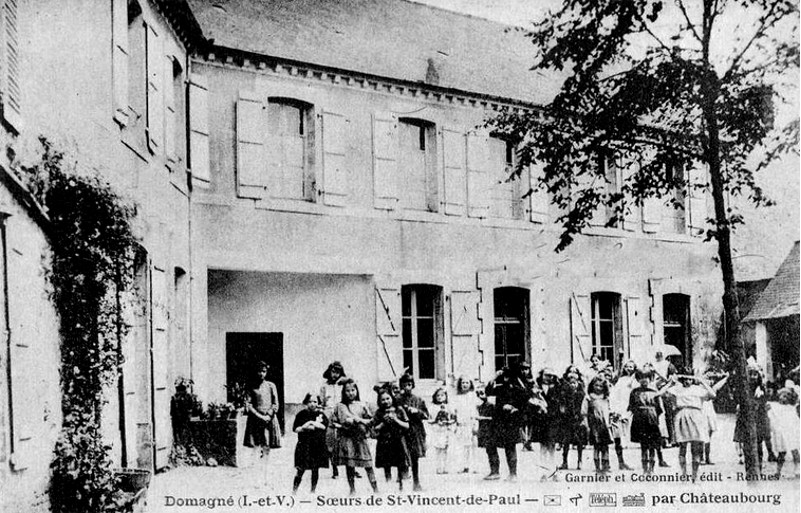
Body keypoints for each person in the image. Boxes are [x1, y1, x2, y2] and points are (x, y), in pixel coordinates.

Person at [659, 368, 718, 482]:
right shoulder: (676, 389)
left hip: (696, 416)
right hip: (682, 416)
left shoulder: (698, 389)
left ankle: (694, 476)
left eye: (690, 379)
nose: (687, 382)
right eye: (685, 379)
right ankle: (684, 475)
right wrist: (670, 382)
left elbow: (713, 395)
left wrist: (702, 382)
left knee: (696, 448)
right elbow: (661, 393)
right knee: (683, 447)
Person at [484, 362, 529, 481]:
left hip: (511, 420)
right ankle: (494, 471)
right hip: (497, 418)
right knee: (490, 444)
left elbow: (525, 399)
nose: (506, 376)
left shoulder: (518, 383)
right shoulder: (499, 382)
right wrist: (494, 376)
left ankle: (513, 474)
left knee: (510, 446)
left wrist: (514, 407)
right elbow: (488, 392)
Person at [332, 379, 378, 495]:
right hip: (347, 439)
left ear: (357, 391)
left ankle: (375, 489)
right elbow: (334, 422)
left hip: (360, 438)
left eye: (353, 390)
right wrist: (342, 424)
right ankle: (352, 490)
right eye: (347, 391)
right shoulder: (340, 406)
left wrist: (360, 421)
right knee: (350, 465)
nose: (351, 393)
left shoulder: (362, 405)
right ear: (343, 392)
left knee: (368, 464)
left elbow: (371, 420)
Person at [733, 363, 776, 469]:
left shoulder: (761, 389)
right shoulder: (743, 387)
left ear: (758, 376)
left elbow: (765, 401)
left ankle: (759, 467)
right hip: (746, 417)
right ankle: (750, 467)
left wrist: (762, 395)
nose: (752, 377)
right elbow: (737, 399)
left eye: (755, 374)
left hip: (759, 418)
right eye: (750, 374)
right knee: (747, 445)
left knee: (758, 444)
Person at [243, 361, 282, 465]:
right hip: (255, 420)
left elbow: (275, 403)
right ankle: (256, 469)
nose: (261, 374)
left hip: (268, 420)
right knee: (256, 445)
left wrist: (269, 415)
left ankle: (266, 469)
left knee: (267, 445)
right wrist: (259, 416)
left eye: (264, 371)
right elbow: (248, 404)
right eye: (259, 371)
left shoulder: (271, 386)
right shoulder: (251, 386)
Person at [373, 388, 411, 491]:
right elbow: (374, 428)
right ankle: (388, 485)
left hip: (397, 440)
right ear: (379, 401)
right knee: (386, 464)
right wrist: (382, 423)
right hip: (384, 441)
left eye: (388, 398)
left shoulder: (399, 409)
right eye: (383, 400)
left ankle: (401, 486)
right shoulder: (379, 412)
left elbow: (407, 425)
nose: (386, 401)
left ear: (392, 398)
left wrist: (395, 419)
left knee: (400, 463)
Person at [397, 373, 429, 491]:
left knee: (414, 457)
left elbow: (426, 415)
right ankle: (400, 484)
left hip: (415, 431)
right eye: (404, 385)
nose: (407, 387)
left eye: (409, 384)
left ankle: (416, 482)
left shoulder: (418, 399)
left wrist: (417, 411)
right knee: (401, 456)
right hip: (401, 431)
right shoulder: (397, 400)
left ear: (413, 385)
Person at [292, 393, 329, 494]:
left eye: (315, 402)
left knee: (315, 469)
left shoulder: (321, 415)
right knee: (301, 469)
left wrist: (313, 423)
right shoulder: (301, 414)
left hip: (317, 446)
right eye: (310, 402)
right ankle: (294, 491)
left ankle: (313, 491)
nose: (312, 404)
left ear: (318, 403)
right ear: (306, 402)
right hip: (304, 445)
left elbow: (324, 427)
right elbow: (296, 429)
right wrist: (306, 425)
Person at [628, 369, 662, 475]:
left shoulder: (654, 392)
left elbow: (659, 408)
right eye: (641, 378)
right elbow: (632, 406)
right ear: (638, 379)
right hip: (640, 420)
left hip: (652, 419)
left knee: (652, 445)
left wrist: (653, 416)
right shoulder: (634, 392)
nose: (644, 380)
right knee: (643, 445)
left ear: (650, 379)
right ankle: (644, 468)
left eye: (646, 378)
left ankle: (651, 468)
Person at [531, 368, 560, 480]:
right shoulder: (536, 387)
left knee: (552, 447)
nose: (549, 377)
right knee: (542, 447)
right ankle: (543, 473)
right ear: (542, 375)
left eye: (551, 375)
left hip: (552, 420)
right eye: (547, 375)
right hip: (541, 421)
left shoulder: (557, 387)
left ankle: (554, 472)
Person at [557, 365, 587, 471]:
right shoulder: (564, 389)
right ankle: (565, 461)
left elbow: (584, 402)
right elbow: (561, 402)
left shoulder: (581, 390)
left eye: (575, 372)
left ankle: (580, 461)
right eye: (570, 371)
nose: (572, 384)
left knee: (579, 441)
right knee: (566, 440)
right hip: (567, 418)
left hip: (578, 418)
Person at [320, 361, 347, 479]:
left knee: (346, 441)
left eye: (338, 372)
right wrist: (325, 414)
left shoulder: (343, 385)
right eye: (333, 372)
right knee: (331, 443)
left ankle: (351, 467)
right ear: (329, 372)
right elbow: (321, 403)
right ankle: (335, 469)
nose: (335, 375)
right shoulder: (324, 387)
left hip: (342, 415)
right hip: (329, 415)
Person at [767, 386, 800, 478]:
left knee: (794, 450)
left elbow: (795, 421)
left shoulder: (791, 408)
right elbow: (770, 414)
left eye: (786, 396)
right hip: (781, 433)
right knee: (781, 453)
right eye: (782, 396)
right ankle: (778, 471)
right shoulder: (776, 407)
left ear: (790, 399)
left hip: (790, 432)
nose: (783, 398)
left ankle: (797, 469)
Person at [610, 360, 637, 470]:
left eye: (631, 367)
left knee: (629, 436)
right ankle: (621, 461)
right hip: (620, 408)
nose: (629, 368)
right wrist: (614, 410)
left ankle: (630, 462)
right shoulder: (620, 380)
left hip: (632, 410)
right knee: (618, 437)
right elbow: (614, 395)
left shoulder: (637, 380)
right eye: (627, 366)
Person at [451, 375, 478, 474]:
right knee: (461, 446)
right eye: (463, 383)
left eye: (467, 382)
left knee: (472, 446)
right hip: (461, 424)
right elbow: (454, 411)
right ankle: (463, 466)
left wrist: (475, 423)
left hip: (471, 423)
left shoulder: (473, 395)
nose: (465, 385)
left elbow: (475, 410)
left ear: (470, 384)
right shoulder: (457, 397)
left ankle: (474, 466)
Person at [586, 376, 613, 473]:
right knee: (596, 446)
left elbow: (610, 411)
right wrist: (587, 424)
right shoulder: (589, 397)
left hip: (605, 425)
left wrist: (611, 420)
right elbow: (584, 412)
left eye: (600, 386)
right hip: (594, 425)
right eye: (596, 385)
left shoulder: (606, 398)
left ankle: (605, 466)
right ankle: (597, 467)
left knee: (605, 446)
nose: (598, 388)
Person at [652, 351, 678, 446]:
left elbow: (670, 380)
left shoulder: (668, 365)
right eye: (657, 353)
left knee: (669, 414)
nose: (659, 355)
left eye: (661, 353)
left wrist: (658, 374)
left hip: (666, 390)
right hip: (655, 389)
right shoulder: (652, 364)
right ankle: (661, 439)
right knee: (658, 414)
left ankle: (672, 439)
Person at [430, 387, 456, 474]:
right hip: (437, 430)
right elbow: (429, 419)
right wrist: (435, 421)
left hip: (445, 430)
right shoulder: (433, 407)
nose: (440, 397)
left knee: (445, 448)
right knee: (438, 449)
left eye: (442, 395)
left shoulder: (448, 407)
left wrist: (448, 422)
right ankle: (438, 467)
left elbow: (453, 418)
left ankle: (445, 467)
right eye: (438, 395)